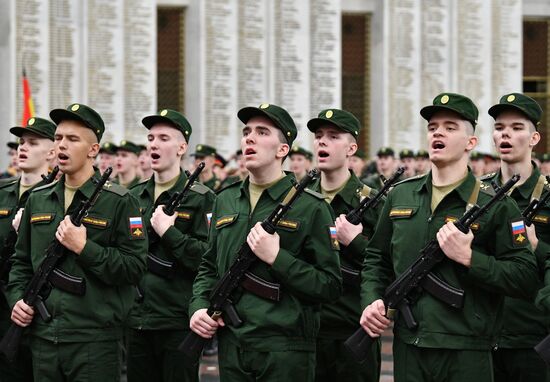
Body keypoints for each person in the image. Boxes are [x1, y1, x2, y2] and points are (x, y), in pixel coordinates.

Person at [359, 93, 538, 382]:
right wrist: (372, 301)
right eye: (432, 128)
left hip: (467, 349)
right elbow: (376, 259)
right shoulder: (401, 195)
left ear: (471, 143)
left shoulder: (496, 204)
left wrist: (470, 258)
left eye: (450, 127)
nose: (438, 132)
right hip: (410, 345)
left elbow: (525, 276)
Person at [189, 103, 342, 381]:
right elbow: (208, 267)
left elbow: (329, 285)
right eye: (246, 131)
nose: (249, 138)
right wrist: (198, 307)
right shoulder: (224, 200)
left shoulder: (311, 207)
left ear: (282, 150)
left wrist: (277, 257)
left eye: (262, 132)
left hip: (285, 349)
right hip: (232, 345)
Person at [7, 103, 147, 381]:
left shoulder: (119, 201)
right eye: (58, 138)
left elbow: (133, 268)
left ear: (93, 150)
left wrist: (85, 248)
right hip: (44, 337)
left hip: (94, 340)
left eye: (72, 139)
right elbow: (20, 262)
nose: (62, 146)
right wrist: (17, 300)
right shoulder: (38, 198)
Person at [126, 109, 215, 382]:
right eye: (151, 138)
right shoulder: (132, 197)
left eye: (163, 138)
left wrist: (169, 233)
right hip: (136, 319)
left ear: (181, 147)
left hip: (177, 319)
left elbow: (208, 259)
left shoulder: (203, 199)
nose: (153, 144)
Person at [307, 108, 382, 382]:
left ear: (351, 148)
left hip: (353, 329)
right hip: (306, 330)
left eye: (333, 136)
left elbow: (388, 266)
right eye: (318, 136)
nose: (322, 142)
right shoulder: (300, 200)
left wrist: (356, 242)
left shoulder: (373, 203)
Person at [483, 93, 550, 381]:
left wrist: (537, 247)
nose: (505, 134)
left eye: (516, 127)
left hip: (532, 338)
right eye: (499, 128)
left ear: (534, 138)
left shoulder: (548, 195)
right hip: (481, 336)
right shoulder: (477, 195)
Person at [0, 117, 57, 381]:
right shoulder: (2, 192)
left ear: (52, 152)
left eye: (33, 143)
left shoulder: (54, 197)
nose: (23, 148)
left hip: (31, 305)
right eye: (22, 142)